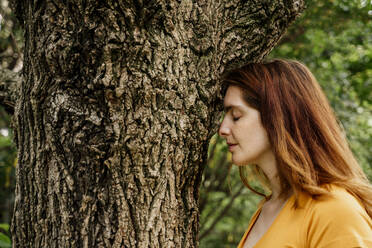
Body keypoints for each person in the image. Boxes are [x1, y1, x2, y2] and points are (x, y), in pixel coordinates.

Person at [218, 59, 372, 248]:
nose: (223, 129)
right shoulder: (268, 209)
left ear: (276, 117)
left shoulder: (334, 209)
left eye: (236, 116)